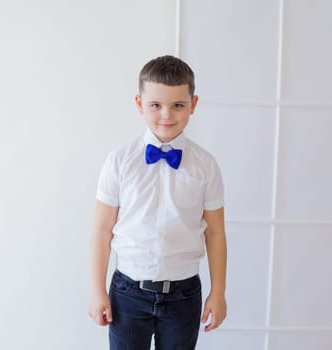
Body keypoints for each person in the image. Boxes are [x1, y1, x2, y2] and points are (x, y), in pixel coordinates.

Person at [88, 55, 227, 349]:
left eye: (178, 105)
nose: (167, 114)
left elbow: (215, 232)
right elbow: (102, 230)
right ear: (140, 104)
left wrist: (219, 291)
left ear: (193, 104)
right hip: (127, 292)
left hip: (184, 295)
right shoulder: (120, 161)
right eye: (155, 105)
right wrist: (97, 290)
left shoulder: (205, 165)